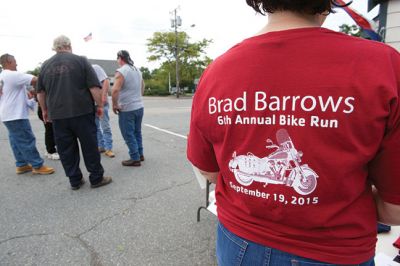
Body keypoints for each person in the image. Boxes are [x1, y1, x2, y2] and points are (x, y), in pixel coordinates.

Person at [187, 1, 400, 265]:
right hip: (334, 251)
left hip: (237, 243)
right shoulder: (383, 64)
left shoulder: (216, 71)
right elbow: (395, 209)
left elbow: (208, 170)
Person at [37, 35, 112, 190]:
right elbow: (94, 87)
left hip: (58, 115)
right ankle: (96, 178)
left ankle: (75, 180)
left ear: (55, 48)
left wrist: (45, 110)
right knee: (89, 146)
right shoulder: (81, 61)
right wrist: (99, 106)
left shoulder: (45, 66)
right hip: (82, 112)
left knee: (66, 149)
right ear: (69, 45)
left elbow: (41, 93)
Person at [0, 54, 54, 175]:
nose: (16, 64)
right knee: (26, 139)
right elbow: (35, 79)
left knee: (15, 140)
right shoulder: (13, 74)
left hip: (7, 113)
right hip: (16, 114)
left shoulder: (2, 76)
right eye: (15, 61)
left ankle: (22, 164)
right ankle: (37, 165)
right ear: (9, 62)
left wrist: (26, 95)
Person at [111, 50, 145, 167]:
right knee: (137, 132)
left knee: (128, 134)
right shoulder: (137, 70)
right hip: (139, 106)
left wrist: (114, 104)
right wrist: (138, 97)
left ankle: (135, 158)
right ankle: (140, 154)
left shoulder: (121, 71)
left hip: (127, 108)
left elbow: (115, 90)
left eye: (117, 58)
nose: (117, 61)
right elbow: (142, 85)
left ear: (120, 58)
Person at [92, 64, 115, 158]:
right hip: (90, 104)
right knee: (95, 127)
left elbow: (106, 81)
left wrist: (104, 96)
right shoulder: (78, 72)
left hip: (101, 102)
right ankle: (101, 146)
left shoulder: (95, 68)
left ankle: (108, 148)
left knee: (105, 126)